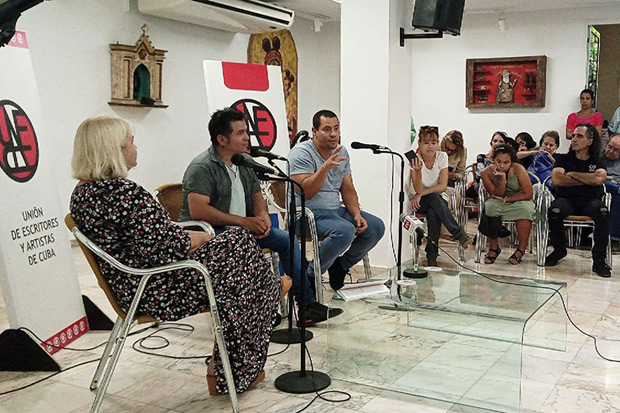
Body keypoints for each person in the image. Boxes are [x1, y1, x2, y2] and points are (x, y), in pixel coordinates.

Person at [70, 116, 281, 395]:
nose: (136, 148)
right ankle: (234, 367)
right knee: (243, 266)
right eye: (130, 142)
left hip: (136, 283)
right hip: (153, 288)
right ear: (113, 150)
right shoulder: (121, 193)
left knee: (239, 252)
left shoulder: (84, 193)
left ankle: (234, 353)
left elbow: (152, 240)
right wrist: (205, 237)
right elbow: (167, 246)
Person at [179, 107, 342, 324]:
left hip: (241, 229)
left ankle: (306, 306)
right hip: (210, 233)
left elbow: (257, 197)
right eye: (240, 133)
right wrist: (245, 222)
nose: (247, 137)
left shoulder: (242, 162)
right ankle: (258, 309)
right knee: (242, 244)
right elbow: (199, 211)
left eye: (247, 131)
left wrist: (263, 216)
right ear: (222, 139)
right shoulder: (202, 167)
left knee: (286, 239)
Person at [288, 109, 385, 291]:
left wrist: (356, 213)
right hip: (307, 214)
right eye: (327, 129)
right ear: (314, 131)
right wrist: (324, 168)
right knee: (345, 230)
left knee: (375, 226)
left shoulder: (342, 151)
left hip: (335, 212)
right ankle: (311, 274)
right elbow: (306, 192)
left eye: (336, 128)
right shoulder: (301, 153)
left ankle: (340, 266)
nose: (333, 134)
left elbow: (347, 188)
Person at [545, 123, 610, 277]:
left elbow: (599, 179)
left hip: (590, 201)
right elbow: (557, 180)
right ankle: (559, 250)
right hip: (566, 199)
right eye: (573, 135)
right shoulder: (563, 159)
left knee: (603, 213)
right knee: (554, 211)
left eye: (579, 136)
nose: (573, 139)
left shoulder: (598, 160)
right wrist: (588, 178)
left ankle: (599, 260)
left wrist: (572, 174)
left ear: (589, 141)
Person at [409, 125, 470, 266]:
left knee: (433, 211)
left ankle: (432, 256)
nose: (430, 147)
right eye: (426, 143)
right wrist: (417, 172)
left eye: (434, 143)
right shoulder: (415, 160)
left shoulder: (442, 156)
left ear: (438, 144)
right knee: (434, 200)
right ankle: (457, 232)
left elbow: (442, 186)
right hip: (418, 201)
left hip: (433, 197)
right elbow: (417, 188)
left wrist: (421, 194)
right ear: (419, 143)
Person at [480, 144, 535, 265]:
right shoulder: (486, 173)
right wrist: (502, 179)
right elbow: (495, 193)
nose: (502, 165)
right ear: (493, 160)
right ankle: (494, 248)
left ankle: (521, 249)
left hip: (519, 198)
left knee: (525, 210)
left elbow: (528, 193)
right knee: (490, 207)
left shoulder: (518, 168)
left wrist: (508, 199)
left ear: (511, 161)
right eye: (498, 161)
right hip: (498, 199)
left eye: (506, 162)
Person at [465, 131, 507, 201]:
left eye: (501, 142)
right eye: (495, 141)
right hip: (482, 185)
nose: (497, 144)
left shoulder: (506, 161)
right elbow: (480, 174)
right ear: (491, 143)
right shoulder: (481, 157)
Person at [603, 133, 620, 241]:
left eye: (616, 149)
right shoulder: (595, 157)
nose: (611, 151)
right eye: (610, 147)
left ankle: (614, 238)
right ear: (606, 144)